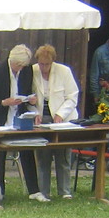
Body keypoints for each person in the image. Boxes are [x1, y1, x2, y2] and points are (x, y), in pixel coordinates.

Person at [0, 44, 39, 200]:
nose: (20, 69)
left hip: (18, 120)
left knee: (27, 148)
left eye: (23, 66)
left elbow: (26, 92)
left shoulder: (26, 70)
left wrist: (30, 99)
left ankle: (34, 191)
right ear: (12, 60)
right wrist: (4, 102)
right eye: (18, 65)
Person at [30, 45, 79, 201]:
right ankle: (44, 191)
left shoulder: (64, 71)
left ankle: (64, 191)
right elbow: (28, 98)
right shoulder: (32, 71)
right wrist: (34, 113)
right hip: (41, 117)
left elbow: (72, 97)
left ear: (53, 61)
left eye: (47, 64)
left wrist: (60, 114)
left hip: (61, 118)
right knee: (43, 155)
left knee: (63, 155)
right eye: (41, 64)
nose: (44, 68)